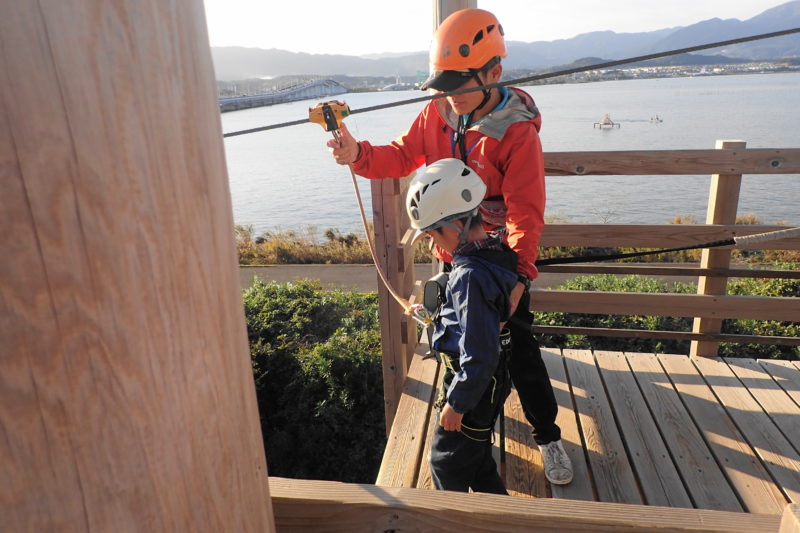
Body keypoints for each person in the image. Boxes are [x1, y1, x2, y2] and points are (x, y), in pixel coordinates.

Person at [328, 8, 572, 485]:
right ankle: (466, 420)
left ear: (493, 74)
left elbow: (526, 209)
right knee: (461, 349)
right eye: (442, 84)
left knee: (519, 350)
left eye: (458, 83)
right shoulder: (438, 111)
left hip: (501, 265)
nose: (448, 95)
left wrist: (520, 278)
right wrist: (358, 155)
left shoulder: (515, 131)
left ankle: (548, 436)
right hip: (455, 262)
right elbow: (401, 155)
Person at [406, 158, 516, 494]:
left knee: (446, 464)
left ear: (454, 226)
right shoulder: (495, 248)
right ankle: (499, 515)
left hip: (473, 386)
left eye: (432, 236)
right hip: (487, 384)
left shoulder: (469, 276)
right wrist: (438, 304)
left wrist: (457, 404)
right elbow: (476, 314)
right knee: (477, 458)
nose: (432, 246)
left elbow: (480, 353)